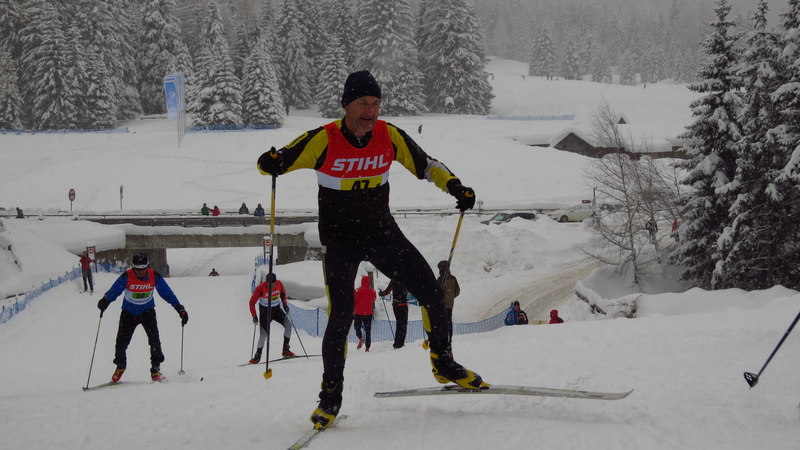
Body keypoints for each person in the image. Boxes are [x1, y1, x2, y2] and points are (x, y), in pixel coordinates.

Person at [257, 70, 485, 429]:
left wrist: (455, 186)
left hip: (381, 233)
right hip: (340, 241)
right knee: (341, 314)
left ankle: (443, 363)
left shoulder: (388, 135)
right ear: (346, 105)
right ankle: (330, 395)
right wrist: (270, 162)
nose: (371, 111)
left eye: (376, 103)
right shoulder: (324, 139)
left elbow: (427, 165)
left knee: (431, 291)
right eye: (363, 103)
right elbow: (275, 161)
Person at [96, 252, 188, 382]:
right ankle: (120, 366)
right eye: (137, 269)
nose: (140, 272)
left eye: (143, 268)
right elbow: (114, 291)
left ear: (147, 266)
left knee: (155, 341)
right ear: (133, 267)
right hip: (129, 313)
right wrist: (105, 300)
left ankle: (155, 369)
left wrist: (179, 308)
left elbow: (167, 293)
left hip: (147, 312)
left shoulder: (153, 276)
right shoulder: (127, 276)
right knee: (121, 343)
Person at [248, 272, 295, 363]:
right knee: (263, 335)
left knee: (288, 325)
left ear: (275, 282)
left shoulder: (279, 284)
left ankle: (285, 350)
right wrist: (254, 315)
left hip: (276, 310)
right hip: (265, 312)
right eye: (269, 285)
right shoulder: (260, 288)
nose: (271, 287)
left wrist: (285, 305)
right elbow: (252, 302)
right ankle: (257, 356)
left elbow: (283, 295)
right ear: (266, 283)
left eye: (273, 285)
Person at [379, 278, 409, 349]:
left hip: (397, 305)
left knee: (399, 324)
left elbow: (387, 291)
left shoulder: (394, 280)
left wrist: (381, 293)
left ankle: (397, 343)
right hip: (404, 305)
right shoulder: (406, 279)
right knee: (404, 325)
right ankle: (401, 342)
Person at [437, 260, 460, 345]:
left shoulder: (440, 279)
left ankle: (443, 337)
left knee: (442, 322)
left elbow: (436, 292)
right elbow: (457, 291)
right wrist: (450, 297)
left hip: (441, 304)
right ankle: (450, 337)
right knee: (449, 320)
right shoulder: (453, 278)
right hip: (450, 304)